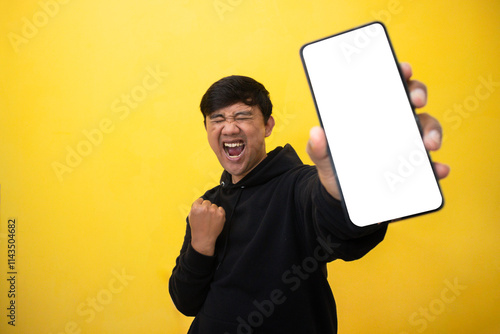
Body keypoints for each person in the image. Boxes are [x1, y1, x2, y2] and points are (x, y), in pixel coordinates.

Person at [169, 63, 450, 334]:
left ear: (267, 125)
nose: (229, 128)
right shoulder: (207, 206)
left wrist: (353, 191)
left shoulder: (300, 185)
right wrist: (200, 246)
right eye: (217, 119)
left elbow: (337, 225)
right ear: (207, 129)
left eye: (242, 116)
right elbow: (186, 301)